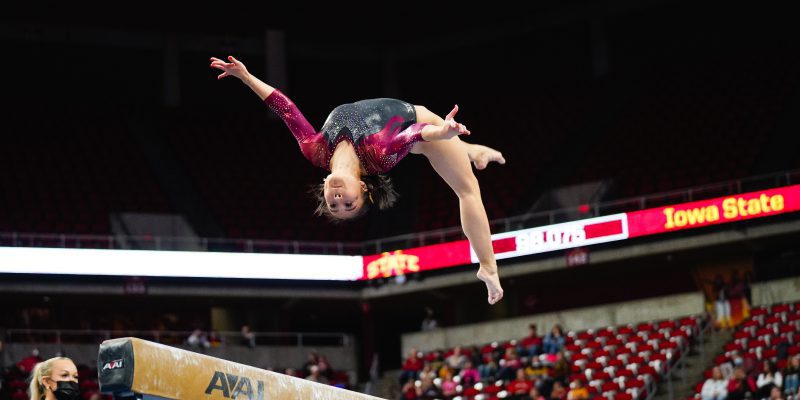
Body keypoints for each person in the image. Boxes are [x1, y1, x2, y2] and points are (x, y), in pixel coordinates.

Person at [210, 55, 506, 304]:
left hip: (417, 137)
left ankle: (471, 151)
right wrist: (443, 131)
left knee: (454, 152)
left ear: (325, 186)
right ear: (363, 187)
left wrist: (245, 77)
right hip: (422, 122)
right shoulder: (379, 153)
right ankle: (488, 268)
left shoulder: (314, 150)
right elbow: (414, 133)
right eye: (348, 203)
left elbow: (285, 108)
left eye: (333, 205)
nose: (338, 201)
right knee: (468, 190)